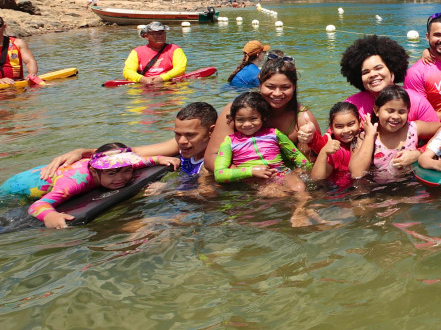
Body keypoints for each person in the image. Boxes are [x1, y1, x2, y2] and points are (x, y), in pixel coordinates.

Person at [37, 102, 219, 188]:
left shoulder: (212, 160)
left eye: (190, 135)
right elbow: (133, 152)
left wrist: (168, 190)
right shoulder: (181, 145)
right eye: (177, 134)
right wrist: (83, 152)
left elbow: (208, 194)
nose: (181, 141)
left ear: (211, 131)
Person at [204, 55, 319, 172]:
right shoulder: (236, 110)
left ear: (294, 87)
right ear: (260, 85)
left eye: (285, 87)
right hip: (239, 177)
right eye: (270, 86)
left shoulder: (303, 120)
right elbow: (211, 157)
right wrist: (249, 174)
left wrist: (278, 180)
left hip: (281, 178)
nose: (277, 93)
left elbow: (309, 164)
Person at [29, 145, 179, 229]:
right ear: (94, 172)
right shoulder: (72, 184)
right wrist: (50, 215)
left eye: (126, 171)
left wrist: (161, 159)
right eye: (112, 173)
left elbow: (141, 162)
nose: (120, 178)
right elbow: (38, 205)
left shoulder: (119, 166)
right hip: (30, 184)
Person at [339, 34, 441, 144]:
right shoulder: (351, 105)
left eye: (378, 68)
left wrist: (420, 153)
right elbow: (334, 137)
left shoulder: (416, 100)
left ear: (392, 71)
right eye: (366, 72)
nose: (372, 74)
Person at [213, 91, 310, 191]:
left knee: (300, 188)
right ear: (233, 119)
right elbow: (220, 174)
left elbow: (295, 155)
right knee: (274, 192)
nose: (246, 124)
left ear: (263, 118)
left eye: (253, 118)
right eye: (240, 120)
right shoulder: (229, 141)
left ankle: (301, 207)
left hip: (281, 171)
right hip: (254, 178)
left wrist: (306, 169)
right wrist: (251, 171)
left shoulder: (274, 134)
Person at [349, 85, 419, 180]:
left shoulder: (412, 128)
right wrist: (370, 136)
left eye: (401, 112)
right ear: (377, 110)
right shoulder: (363, 137)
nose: (395, 116)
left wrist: (419, 154)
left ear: (408, 112)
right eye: (390, 111)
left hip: (411, 184)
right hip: (378, 190)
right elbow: (356, 174)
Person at [309, 102, 366, 187]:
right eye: (339, 126)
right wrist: (324, 152)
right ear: (331, 127)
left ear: (360, 122)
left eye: (351, 124)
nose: (346, 130)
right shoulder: (335, 151)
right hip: (339, 191)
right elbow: (316, 179)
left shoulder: (366, 138)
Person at [122, 21, 187, 85]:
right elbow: (128, 71)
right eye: (156, 33)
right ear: (146, 36)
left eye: (162, 33)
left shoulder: (175, 49)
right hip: (145, 86)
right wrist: (142, 79)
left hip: (171, 84)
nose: (160, 36)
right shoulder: (137, 51)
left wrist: (162, 78)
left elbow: (180, 68)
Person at [0, 15, 39, 85]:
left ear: (4, 26)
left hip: (17, 85)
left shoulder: (18, 43)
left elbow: (30, 61)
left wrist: (32, 75)